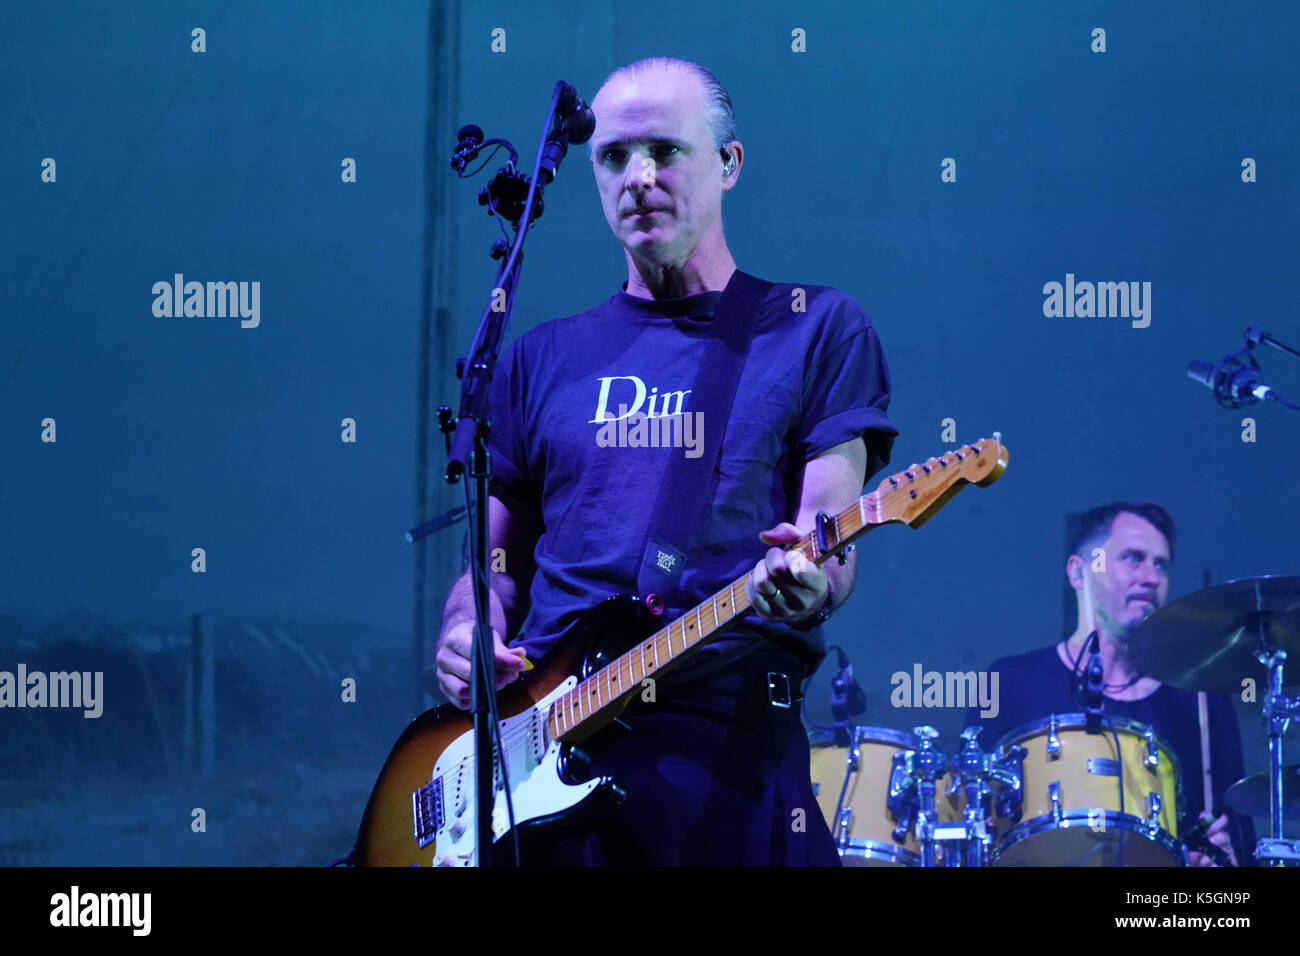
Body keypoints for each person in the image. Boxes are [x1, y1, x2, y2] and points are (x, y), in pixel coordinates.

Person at [432, 57, 897, 865]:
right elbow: (496, 560)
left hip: (723, 742)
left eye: (665, 150)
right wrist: (466, 624)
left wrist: (813, 580)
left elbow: (830, 527)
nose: (638, 177)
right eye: (613, 156)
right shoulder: (542, 357)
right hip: (544, 752)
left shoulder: (815, 327)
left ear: (729, 163)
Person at [964, 502, 1254, 866]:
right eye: (1133, 558)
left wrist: (1222, 857)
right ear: (1078, 572)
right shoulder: (1007, 683)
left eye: (1161, 564)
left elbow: (1240, 840)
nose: (1151, 576)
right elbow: (971, 826)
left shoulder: (1201, 700)